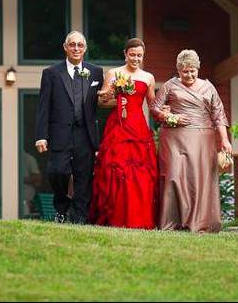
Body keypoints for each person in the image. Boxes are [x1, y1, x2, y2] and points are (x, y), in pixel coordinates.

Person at [150, 49, 232, 233]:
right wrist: (172, 117)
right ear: (179, 70)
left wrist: (225, 140)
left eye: (192, 70)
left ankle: (200, 222)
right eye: (185, 71)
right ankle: (172, 222)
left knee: (198, 178)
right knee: (173, 175)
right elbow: (155, 109)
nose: (189, 74)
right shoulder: (169, 86)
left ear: (198, 68)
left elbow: (219, 115)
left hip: (202, 139)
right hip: (174, 139)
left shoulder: (209, 87)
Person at [35, 31, 104, 224]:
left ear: (85, 49)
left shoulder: (96, 72)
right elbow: (43, 107)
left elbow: (102, 102)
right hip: (59, 133)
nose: (76, 48)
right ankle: (61, 208)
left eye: (80, 45)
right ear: (65, 47)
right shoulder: (51, 73)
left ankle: (80, 216)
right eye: (72, 45)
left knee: (84, 175)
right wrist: (41, 136)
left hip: (86, 133)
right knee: (58, 171)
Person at [89, 38, 158, 229]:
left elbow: (153, 106)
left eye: (139, 55)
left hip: (139, 128)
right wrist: (117, 99)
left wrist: (167, 114)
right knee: (116, 170)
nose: (136, 58)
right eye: (132, 54)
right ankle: (115, 217)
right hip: (118, 126)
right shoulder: (114, 73)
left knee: (140, 174)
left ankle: (139, 219)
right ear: (125, 54)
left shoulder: (148, 78)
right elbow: (102, 101)